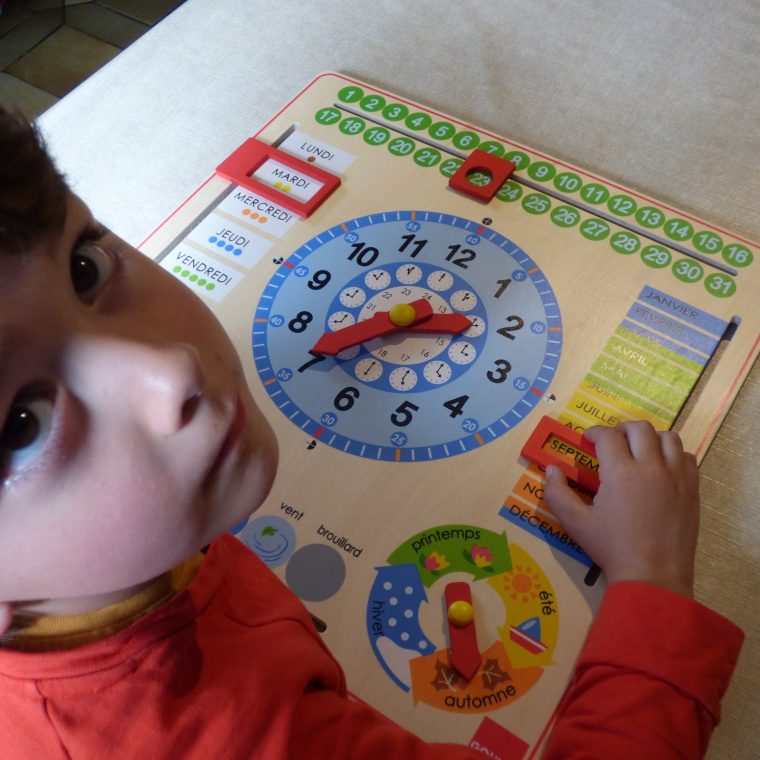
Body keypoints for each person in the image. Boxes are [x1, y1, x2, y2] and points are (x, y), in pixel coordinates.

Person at [0, 107, 743, 759]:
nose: (174, 369)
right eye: (20, 426)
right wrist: (652, 579)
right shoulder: (238, 734)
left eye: (85, 268)